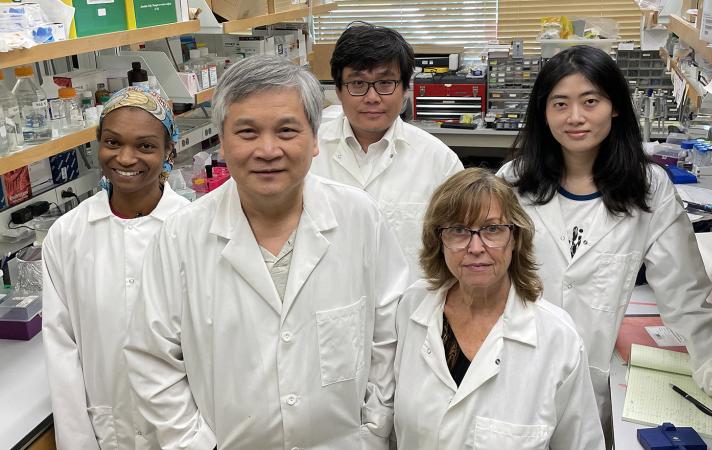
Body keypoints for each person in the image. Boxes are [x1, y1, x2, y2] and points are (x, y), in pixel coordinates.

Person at [123, 55, 410, 449]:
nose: (268, 149)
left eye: (287, 130)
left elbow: (390, 336)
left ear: (314, 141)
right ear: (222, 142)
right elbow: (153, 360)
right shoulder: (181, 237)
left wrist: (372, 431)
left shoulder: (359, 218)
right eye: (247, 132)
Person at [496, 45, 712, 433]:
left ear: (614, 106)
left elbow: (687, 296)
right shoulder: (512, 182)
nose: (575, 117)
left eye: (590, 101)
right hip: (510, 371)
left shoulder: (649, 189)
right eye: (560, 104)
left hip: (591, 383)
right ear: (543, 112)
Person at [393, 168, 604, 449]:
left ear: (515, 238)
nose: (476, 247)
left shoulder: (557, 338)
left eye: (492, 229)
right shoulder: (413, 307)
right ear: (438, 240)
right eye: (458, 230)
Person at [42, 86, 190, 449]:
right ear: (98, 144)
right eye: (113, 142)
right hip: (106, 432)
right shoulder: (67, 234)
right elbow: (62, 351)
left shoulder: (193, 230)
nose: (125, 158)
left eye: (145, 146)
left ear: (169, 150)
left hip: (186, 431)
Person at [311, 23, 463, 281]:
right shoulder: (308, 156)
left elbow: (461, 246)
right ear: (338, 90)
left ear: (405, 89)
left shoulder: (440, 161)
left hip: (410, 312)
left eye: (385, 82)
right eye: (357, 83)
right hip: (327, 308)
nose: (372, 97)